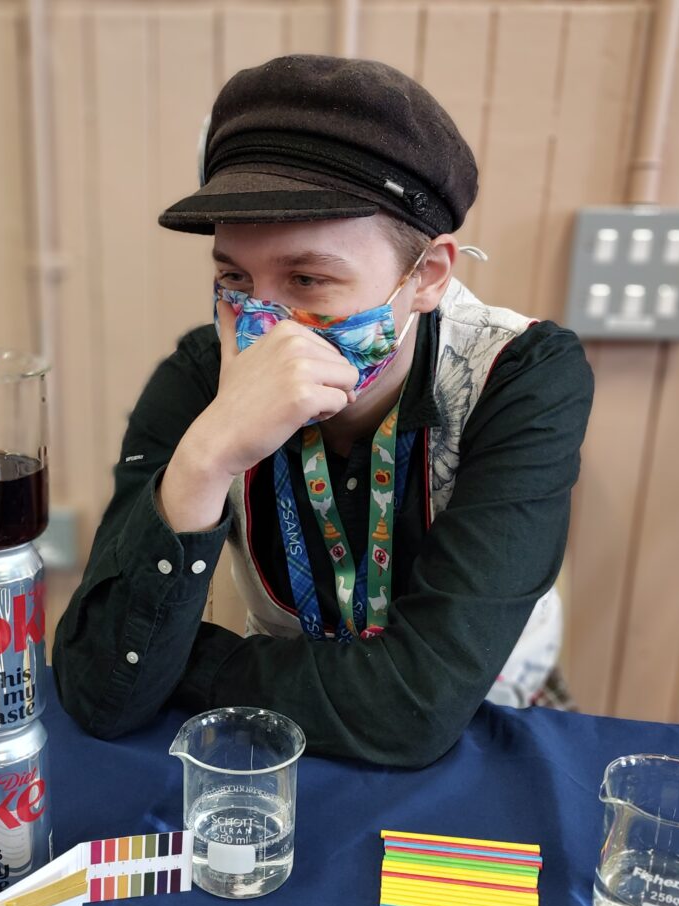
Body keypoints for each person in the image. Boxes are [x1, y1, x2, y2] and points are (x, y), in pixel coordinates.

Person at [52, 54, 594, 768]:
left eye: (309, 278)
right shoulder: (197, 379)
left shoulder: (522, 377)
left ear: (426, 276)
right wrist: (205, 458)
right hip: (271, 745)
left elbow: (418, 709)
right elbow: (100, 686)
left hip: (487, 731)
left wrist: (185, 665)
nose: (266, 328)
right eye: (234, 279)